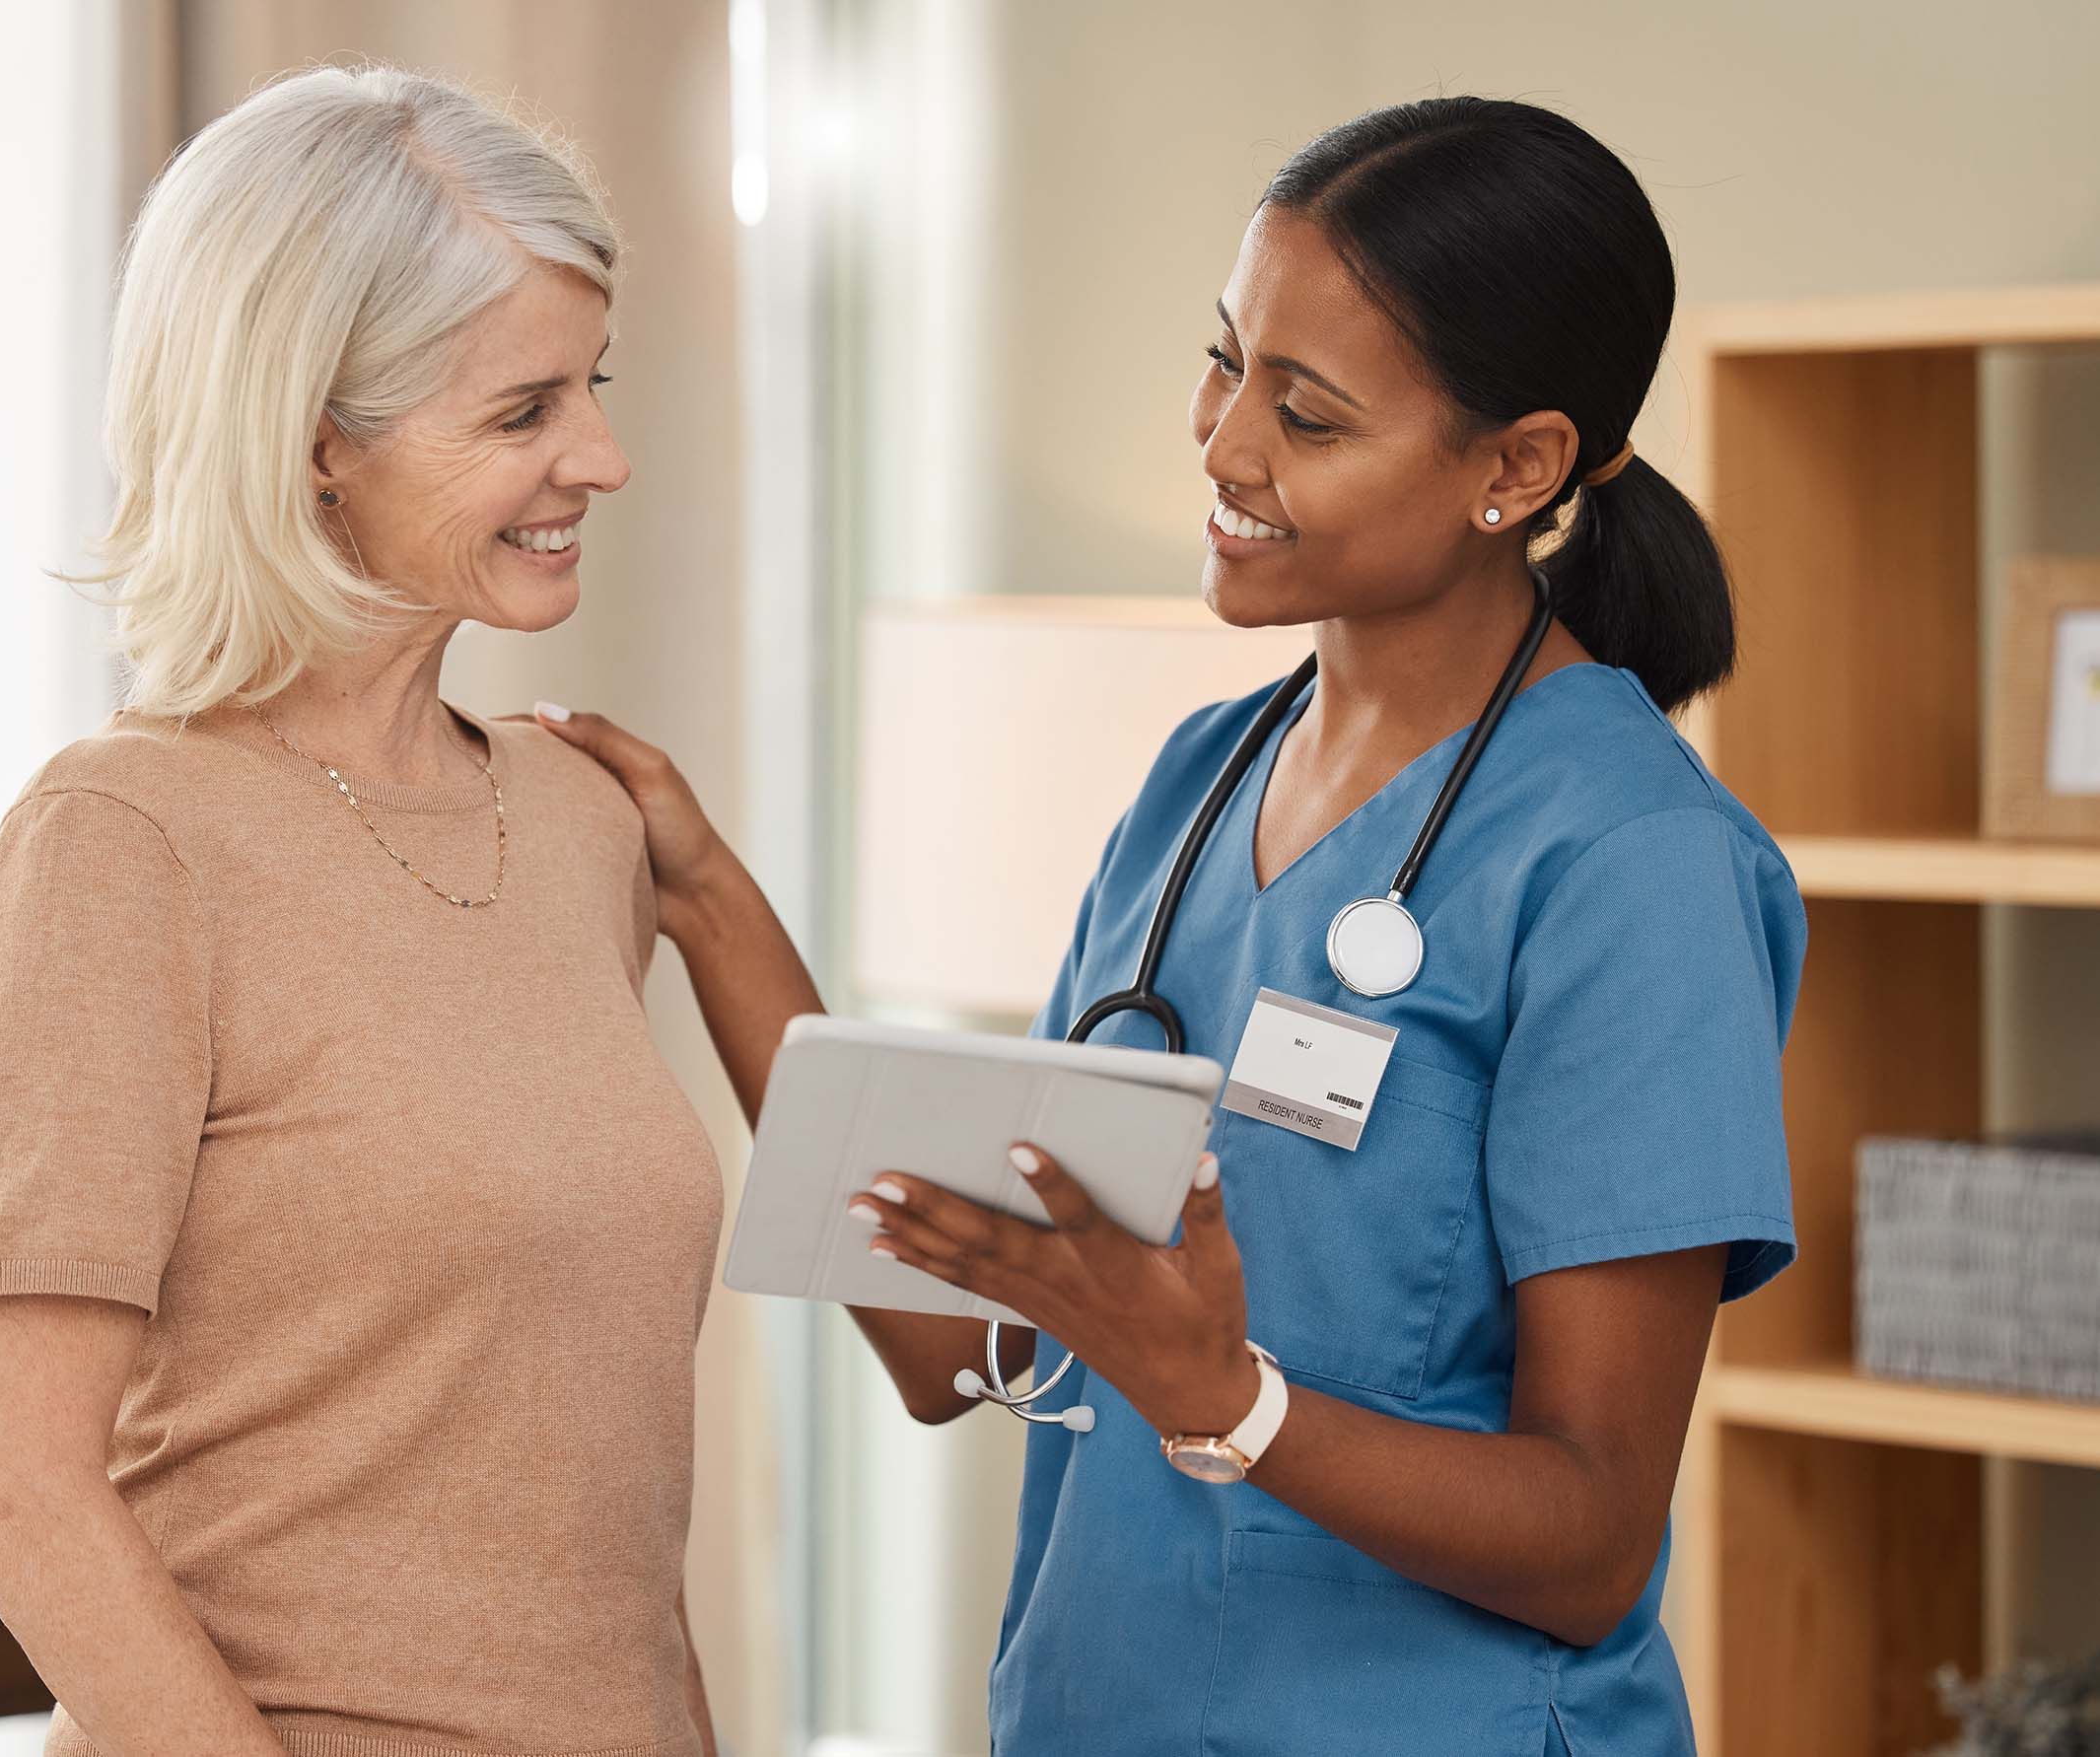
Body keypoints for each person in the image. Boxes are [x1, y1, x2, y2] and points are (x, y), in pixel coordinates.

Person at [543, 97, 1802, 1754]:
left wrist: (1229, 1401)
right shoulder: (1199, 787)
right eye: (1227, 363)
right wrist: (711, 905)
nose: (1222, 445)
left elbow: (1590, 1539)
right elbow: (966, 1344)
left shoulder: (1633, 861)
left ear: (1520, 467)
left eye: (1312, 413)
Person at [0, 65, 722, 1757]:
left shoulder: (580, 825)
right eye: (521, 414)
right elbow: (13, 1487)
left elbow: (590, 1489)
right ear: (314, 446)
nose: (603, 454)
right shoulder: (120, 842)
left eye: (592, 386)